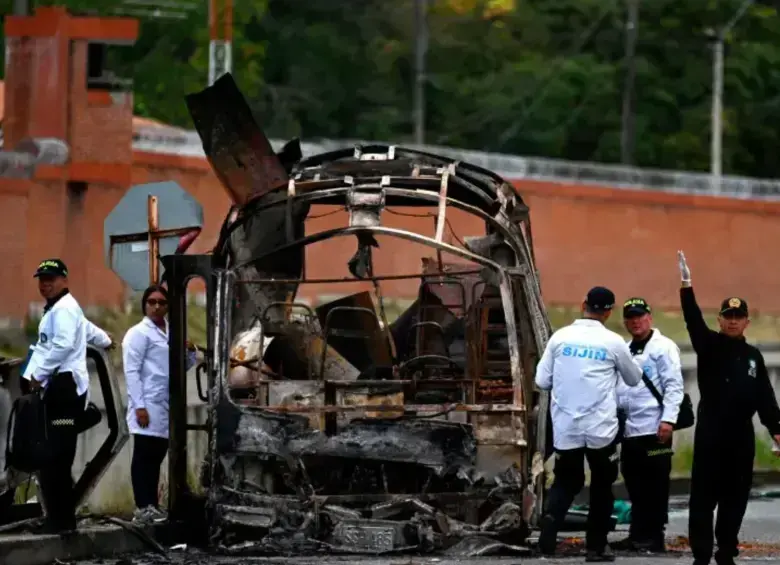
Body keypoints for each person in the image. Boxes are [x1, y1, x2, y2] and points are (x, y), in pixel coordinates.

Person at [677, 250, 780, 565]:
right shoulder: (708, 345)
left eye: (738, 317)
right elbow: (693, 320)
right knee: (704, 499)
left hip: (741, 436)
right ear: (720, 319)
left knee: (735, 499)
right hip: (711, 434)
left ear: (746, 321)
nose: (733, 321)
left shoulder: (753, 356)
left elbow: (766, 397)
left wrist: (777, 430)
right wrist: (686, 286)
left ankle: (725, 550)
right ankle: (702, 554)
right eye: (728, 316)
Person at [535, 286, 644, 562]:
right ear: (608, 312)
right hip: (601, 430)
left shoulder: (559, 338)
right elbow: (633, 379)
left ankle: (547, 536)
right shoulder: (613, 342)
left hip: (566, 428)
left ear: (583, 304)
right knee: (602, 485)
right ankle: (596, 547)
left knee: (566, 481)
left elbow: (541, 381)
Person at [22, 258, 113, 534]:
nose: (45, 284)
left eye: (51, 279)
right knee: (57, 456)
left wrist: (39, 375)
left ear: (64, 280)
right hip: (62, 388)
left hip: (64, 388)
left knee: (56, 458)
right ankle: (61, 520)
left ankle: (60, 523)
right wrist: (107, 341)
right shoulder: (62, 308)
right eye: (41, 279)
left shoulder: (63, 310)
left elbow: (61, 346)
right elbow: (87, 330)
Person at [122, 284, 196, 524]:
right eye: (151, 302)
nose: (156, 306)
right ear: (145, 305)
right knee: (144, 455)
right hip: (147, 403)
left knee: (156, 456)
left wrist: (191, 352)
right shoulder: (138, 334)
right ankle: (143, 507)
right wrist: (140, 406)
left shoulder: (170, 332)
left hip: (164, 404)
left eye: (161, 303)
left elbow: (179, 368)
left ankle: (152, 505)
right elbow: (131, 371)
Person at [616, 297, 684, 553]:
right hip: (630, 429)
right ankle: (637, 534)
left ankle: (654, 537)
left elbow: (674, 386)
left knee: (655, 485)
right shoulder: (625, 348)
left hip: (656, 429)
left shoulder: (663, 347)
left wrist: (668, 420)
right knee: (634, 483)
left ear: (649, 317)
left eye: (639, 315)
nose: (635, 321)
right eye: (630, 317)